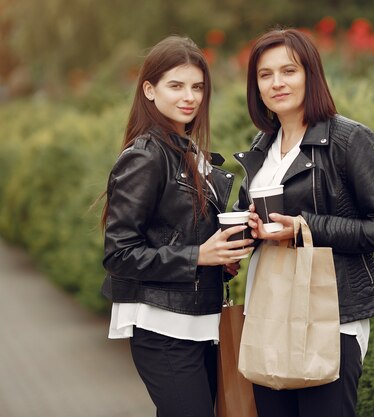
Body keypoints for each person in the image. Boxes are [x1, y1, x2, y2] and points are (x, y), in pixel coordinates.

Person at [233, 28, 374, 417]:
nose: (277, 83)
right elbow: (259, 225)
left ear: (310, 74)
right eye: (265, 74)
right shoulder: (262, 148)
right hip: (270, 312)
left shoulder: (349, 140)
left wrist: (305, 226)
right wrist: (246, 233)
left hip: (331, 319)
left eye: (289, 71)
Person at [100, 35, 253, 417]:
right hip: (162, 325)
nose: (190, 96)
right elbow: (119, 253)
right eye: (176, 85)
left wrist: (218, 258)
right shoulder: (146, 156)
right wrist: (198, 255)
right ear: (149, 90)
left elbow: (182, 233)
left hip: (200, 319)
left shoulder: (189, 152)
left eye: (197, 86)